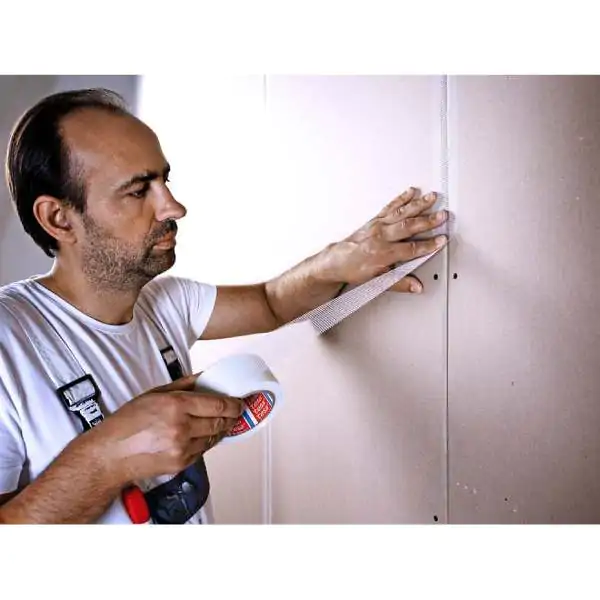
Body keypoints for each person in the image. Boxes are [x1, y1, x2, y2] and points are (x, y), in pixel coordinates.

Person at [0, 88, 448, 524]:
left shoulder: (164, 305)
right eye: (138, 191)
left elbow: (271, 302)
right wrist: (108, 459)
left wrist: (347, 258)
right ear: (59, 218)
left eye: (164, 181)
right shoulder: (9, 342)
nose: (174, 207)